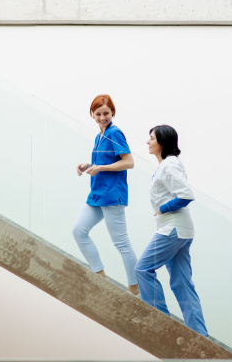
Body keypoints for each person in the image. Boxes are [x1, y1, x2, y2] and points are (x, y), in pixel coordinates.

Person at [134, 125, 208, 336]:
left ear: (162, 142)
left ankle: (161, 324)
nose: (148, 142)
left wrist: (162, 208)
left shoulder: (169, 165)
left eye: (151, 138)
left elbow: (185, 195)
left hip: (172, 229)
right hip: (180, 230)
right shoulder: (167, 165)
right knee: (182, 284)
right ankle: (200, 336)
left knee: (142, 269)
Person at [72, 94, 139, 296]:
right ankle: (100, 278)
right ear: (92, 114)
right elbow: (104, 164)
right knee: (78, 231)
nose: (102, 117)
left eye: (106, 113)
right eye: (98, 113)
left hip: (112, 194)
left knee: (121, 242)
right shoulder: (99, 136)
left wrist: (99, 167)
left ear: (113, 113)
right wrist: (89, 166)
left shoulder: (115, 133)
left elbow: (129, 162)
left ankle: (135, 289)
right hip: (97, 194)